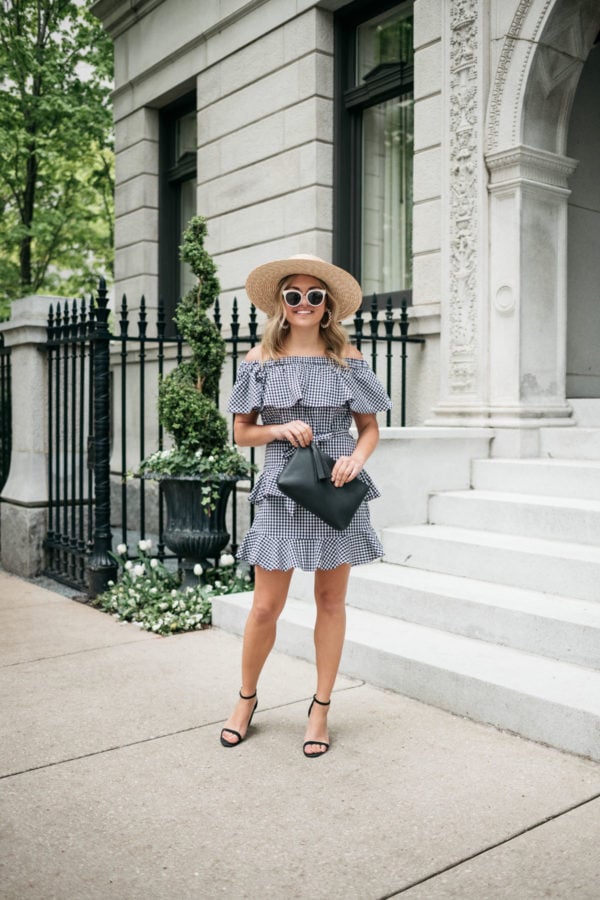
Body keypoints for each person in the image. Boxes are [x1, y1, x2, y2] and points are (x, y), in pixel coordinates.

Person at [220, 254, 391, 757]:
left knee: (331, 602)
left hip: (334, 486)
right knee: (265, 606)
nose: (303, 304)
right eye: (293, 295)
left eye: (314, 296)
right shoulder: (258, 362)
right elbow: (241, 431)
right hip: (280, 488)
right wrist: (278, 429)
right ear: (281, 303)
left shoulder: (350, 360)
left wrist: (357, 460)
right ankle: (246, 699)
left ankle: (320, 708)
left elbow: (369, 428)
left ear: (327, 305)